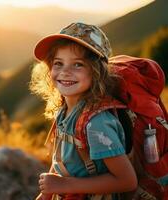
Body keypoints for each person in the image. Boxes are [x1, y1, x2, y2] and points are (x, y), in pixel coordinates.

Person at [30, 22, 138, 200]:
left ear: (97, 72)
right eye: (58, 63)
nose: (65, 71)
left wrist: (65, 185)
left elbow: (126, 180)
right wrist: (46, 194)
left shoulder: (96, 124)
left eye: (78, 64)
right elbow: (63, 159)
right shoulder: (65, 110)